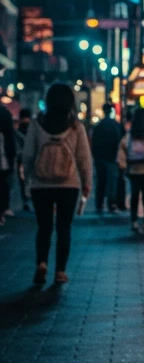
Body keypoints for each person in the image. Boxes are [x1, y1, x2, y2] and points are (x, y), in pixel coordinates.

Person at [20, 83, 92, 288]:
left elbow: (27, 155)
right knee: (64, 227)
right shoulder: (76, 126)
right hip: (68, 184)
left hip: (41, 184)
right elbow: (84, 158)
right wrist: (87, 183)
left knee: (44, 227)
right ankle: (60, 271)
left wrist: (28, 180)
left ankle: (42, 263)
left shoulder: (36, 124)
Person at [118, 107, 144, 232]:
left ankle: (134, 221)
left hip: (133, 170)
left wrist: (122, 165)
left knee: (134, 196)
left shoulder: (131, 132)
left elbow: (123, 147)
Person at [90, 102, 123, 214]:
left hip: (100, 158)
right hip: (112, 157)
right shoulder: (115, 125)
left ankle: (99, 204)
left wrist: (95, 156)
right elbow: (119, 141)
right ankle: (111, 204)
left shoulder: (99, 126)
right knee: (111, 182)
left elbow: (93, 142)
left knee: (100, 181)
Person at [15, 108, 32, 211]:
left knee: (23, 181)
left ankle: (25, 200)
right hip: (33, 159)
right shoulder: (33, 128)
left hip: (21, 159)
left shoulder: (18, 130)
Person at [0, 104, 15, 223]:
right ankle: (3, 208)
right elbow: (10, 138)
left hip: (4, 155)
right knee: (3, 182)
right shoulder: (5, 113)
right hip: (4, 156)